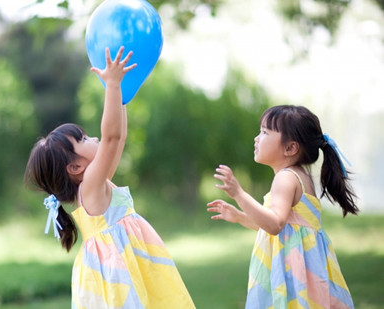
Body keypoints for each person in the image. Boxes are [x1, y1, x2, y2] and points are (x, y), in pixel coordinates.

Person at [25, 47, 195, 309]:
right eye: (83, 140)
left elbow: (119, 139)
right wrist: (112, 86)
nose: (93, 138)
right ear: (74, 167)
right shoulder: (90, 186)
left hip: (128, 264)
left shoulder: (97, 184)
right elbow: (111, 138)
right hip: (120, 273)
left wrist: (122, 97)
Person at [207, 105, 357, 308]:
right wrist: (240, 216)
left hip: (292, 273)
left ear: (290, 148)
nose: (256, 138)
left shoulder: (286, 178)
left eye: (265, 132)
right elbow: (283, 226)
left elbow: (275, 224)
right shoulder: (299, 176)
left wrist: (239, 194)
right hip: (306, 271)